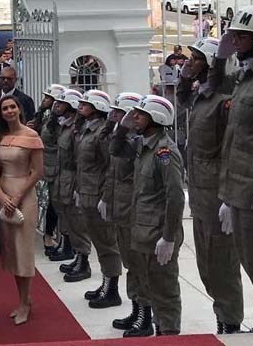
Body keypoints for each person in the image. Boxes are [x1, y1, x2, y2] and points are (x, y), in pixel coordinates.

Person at [177, 38, 243, 334]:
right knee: (205, 260)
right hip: (200, 194)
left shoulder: (223, 100)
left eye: (196, 58)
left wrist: (229, 197)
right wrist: (185, 76)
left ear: (213, 63)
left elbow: (232, 149)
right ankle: (222, 313)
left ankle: (230, 320)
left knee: (222, 262)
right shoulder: (200, 96)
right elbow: (180, 100)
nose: (189, 62)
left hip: (217, 192)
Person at [215, 4, 253, 333]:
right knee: (249, 255)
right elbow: (215, 89)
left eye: (242, 36)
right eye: (232, 35)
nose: (235, 40)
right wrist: (220, 58)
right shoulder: (245, 76)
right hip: (236, 184)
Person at [113, 95, 185, 336]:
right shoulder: (144, 144)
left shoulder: (164, 151)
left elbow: (174, 197)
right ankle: (158, 331)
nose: (135, 117)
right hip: (143, 229)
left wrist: (169, 237)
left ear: (156, 118)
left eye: (139, 114)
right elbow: (117, 150)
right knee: (150, 286)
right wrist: (122, 127)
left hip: (158, 233)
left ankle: (169, 335)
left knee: (164, 291)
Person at [0, 94, 44, 325]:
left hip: (24, 196)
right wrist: (2, 196)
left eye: (13, 107)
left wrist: (18, 195)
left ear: (20, 109)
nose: (10, 111)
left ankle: (25, 302)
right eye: (5, 108)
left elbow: (38, 172)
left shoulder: (31, 136)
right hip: (4, 199)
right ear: (1, 113)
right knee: (11, 251)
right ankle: (23, 299)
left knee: (23, 250)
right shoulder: (1, 137)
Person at [106, 92, 153, 335]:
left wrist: (125, 130)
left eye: (119, 112)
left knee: (138, 265)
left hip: (134, 212)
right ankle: (136, 307)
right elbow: (113, 155)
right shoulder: (123, 137)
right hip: (120, 210)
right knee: (130, 264)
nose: (113, 115)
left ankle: (145, 314)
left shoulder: (140, 141)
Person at [74, 90, 122, 309]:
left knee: (107, 243)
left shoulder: (103, 132)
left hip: (98, 195)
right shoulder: (85, 128)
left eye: (85, 103)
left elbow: (110, 166)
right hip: (86, 192)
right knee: (98, 241)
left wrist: (106, 196)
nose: (80, 106)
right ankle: (105, 282)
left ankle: (112, 289)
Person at [51, 89, 93, 281]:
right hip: (62, 178)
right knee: (67, 220)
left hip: (73, 180)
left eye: (61, 103)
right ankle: (77, 256)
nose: (56, 105)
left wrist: (78, 186)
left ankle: (83, 262)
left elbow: (79, 160)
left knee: (78, 222)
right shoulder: (65, 126)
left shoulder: (78, 130)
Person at [29, 84, 66, 256]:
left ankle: (51, 236)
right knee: (49, 200)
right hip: (46, 164)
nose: (45, 100)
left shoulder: (60, 121)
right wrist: (40, 110)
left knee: (55, 203)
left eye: (48, 98)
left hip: (58, 165)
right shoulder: (46, 116)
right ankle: (50, 234)